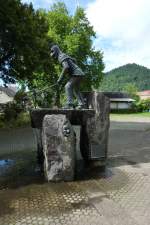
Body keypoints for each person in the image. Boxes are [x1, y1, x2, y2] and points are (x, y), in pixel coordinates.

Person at [50, 45, 85, 109]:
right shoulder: (64, 55)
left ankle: (69, 104)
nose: (52, 55)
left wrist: (60, 79)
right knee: (76, 90)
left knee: (67, 86)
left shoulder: (60, 56)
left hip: (77, 74)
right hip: (80, 73)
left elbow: (66, 67)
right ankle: (82, 104)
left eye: (53, 52)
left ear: (56, 50)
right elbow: (74, 60)